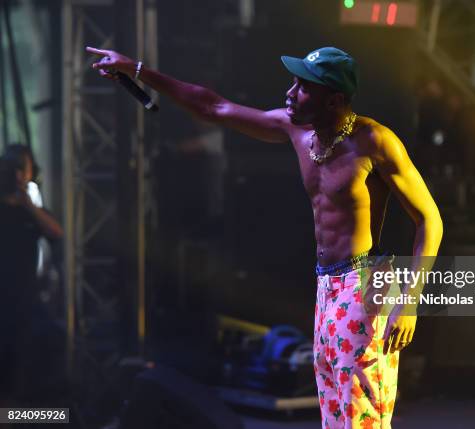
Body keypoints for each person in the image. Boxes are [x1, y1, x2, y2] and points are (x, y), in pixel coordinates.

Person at [87, 45, 443, 428]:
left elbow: (430, 220)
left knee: (363, 416)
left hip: (365, 285)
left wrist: (409, 303)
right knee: (335, 414)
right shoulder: (297, 130)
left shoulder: (374, 141)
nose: (290, 93)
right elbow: (213, 108)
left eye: (304, 87)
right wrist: (139, 70)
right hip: (327, 288)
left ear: (334, 99)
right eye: (294, 82)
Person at [0, 155, 63, 404]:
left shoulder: (30, 212)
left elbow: (56, 232)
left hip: (24, 301)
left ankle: (14, 417)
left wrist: (28, 204)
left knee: (22, 374)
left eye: (21, 170)